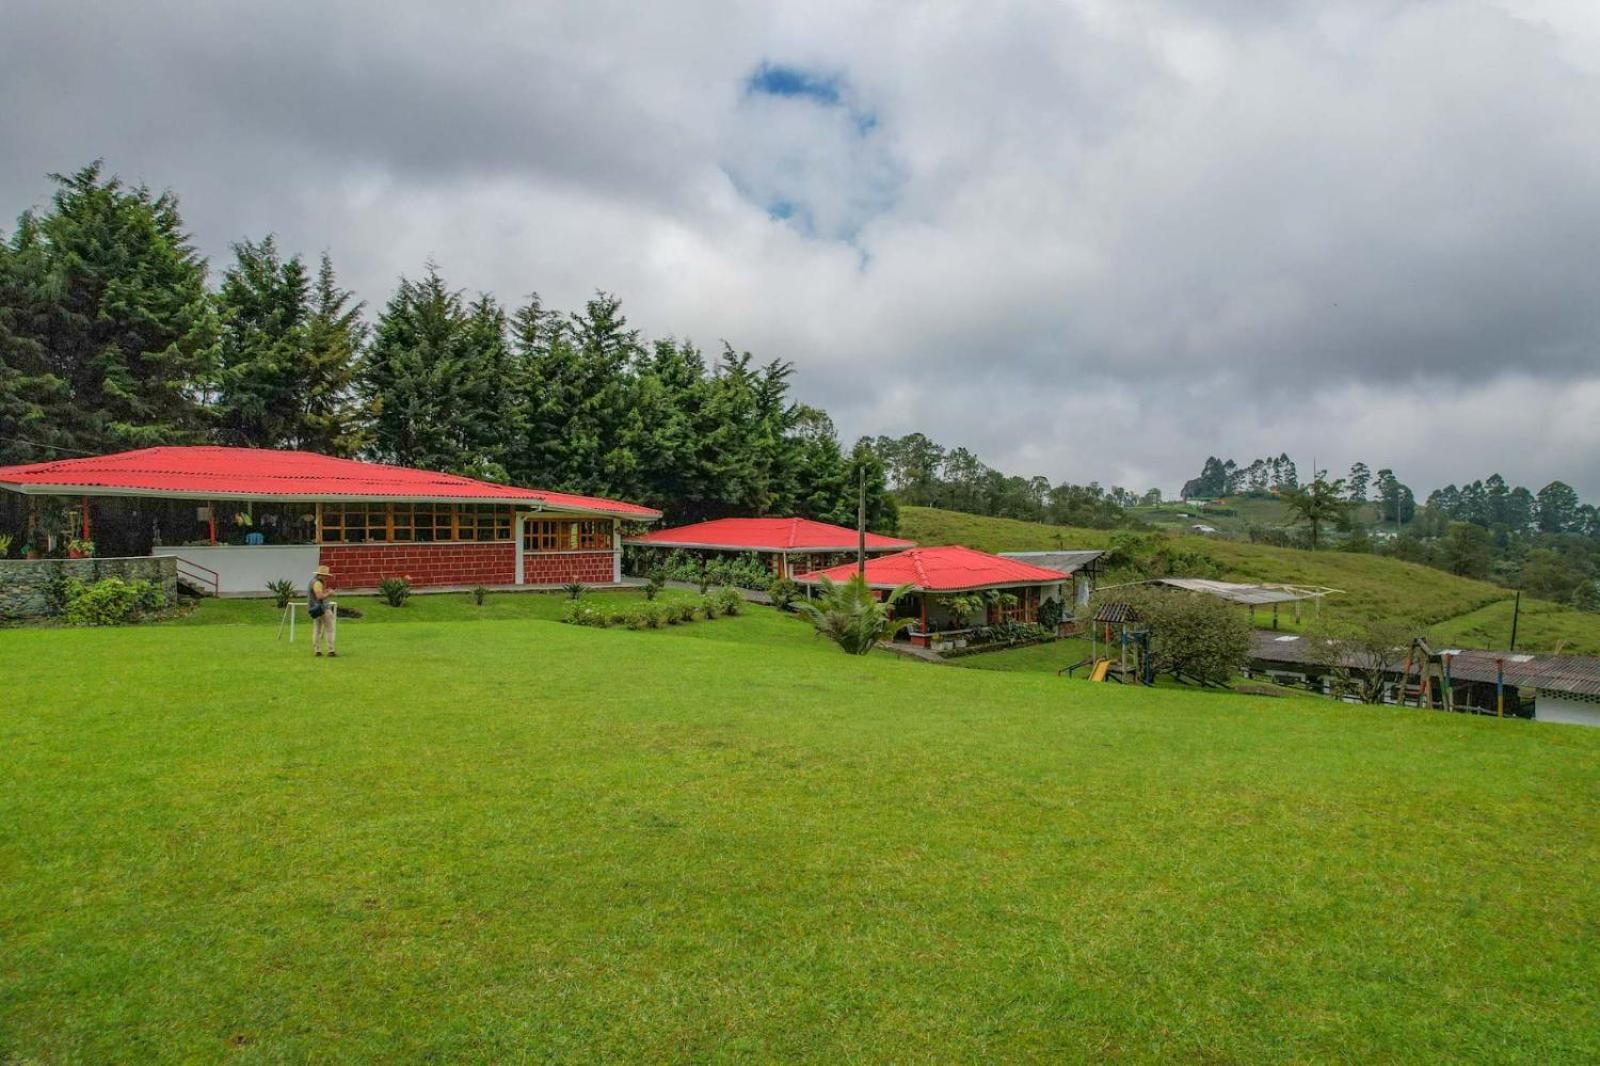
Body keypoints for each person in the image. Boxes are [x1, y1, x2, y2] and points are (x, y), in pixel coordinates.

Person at [307, 564, 337, 658]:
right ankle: (331, 650)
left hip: (315, 608)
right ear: (323, 575)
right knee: (329, 629)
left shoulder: (313, 581)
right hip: (322, 608)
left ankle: (317, 650)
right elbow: (319, 596)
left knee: (317, 630)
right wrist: (329, 593)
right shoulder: (318, 583)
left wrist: (325, 591)